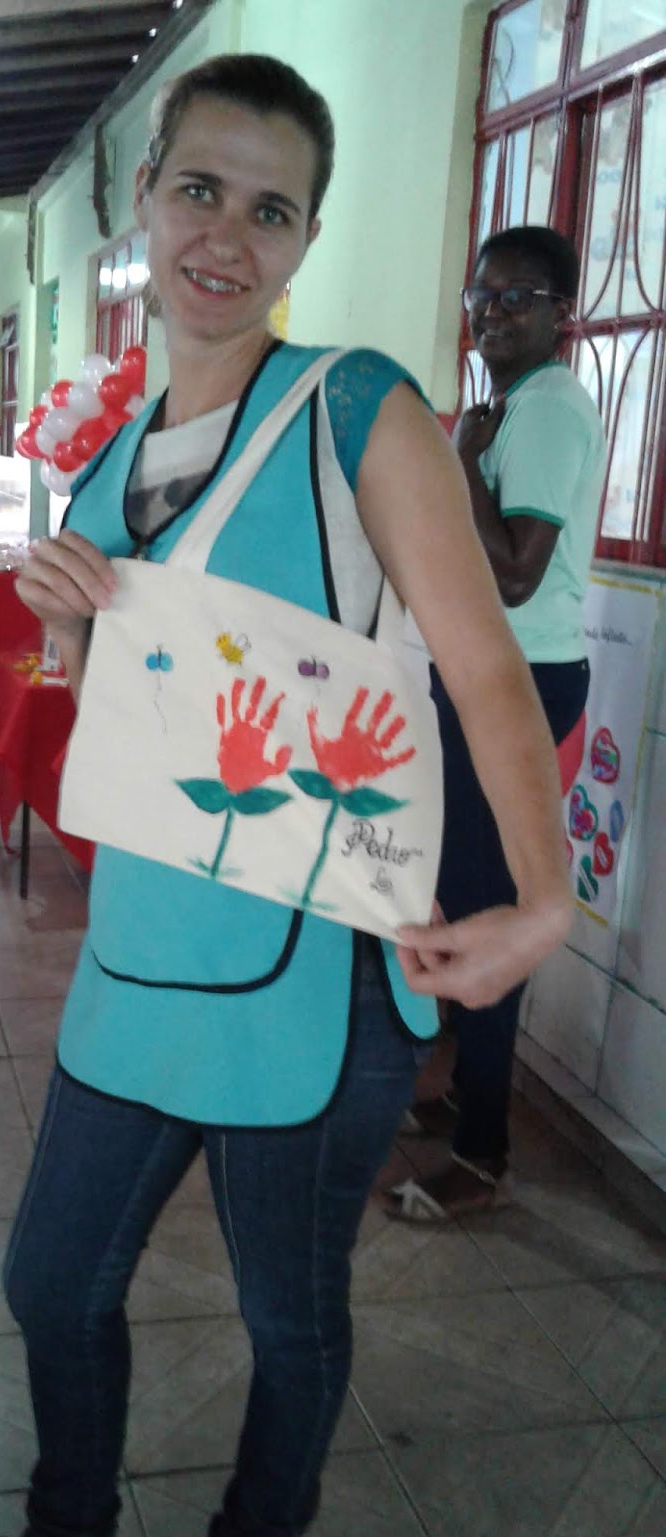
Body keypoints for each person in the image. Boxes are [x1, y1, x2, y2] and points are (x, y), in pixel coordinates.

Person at [0, 57, 573, 1537]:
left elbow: (484, 665)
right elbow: (138, 713)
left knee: (288, 1317)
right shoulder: (107, 460)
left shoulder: (358, 411)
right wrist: (75, 629)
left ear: (306, 239)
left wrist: (544, 896)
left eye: (272, 210)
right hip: (143, 953)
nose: (228, 235)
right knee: (52, 1280)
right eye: (200, 189)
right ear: (144, 200)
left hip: (316, 979)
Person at [388, 225, 606, 1224]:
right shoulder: (513, 405)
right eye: (483, 295)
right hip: (482, 676)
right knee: (461, 887)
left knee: (486, 903)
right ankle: (463, 1095)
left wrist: (463, 459)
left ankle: (482, 1154)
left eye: (520, 297)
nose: (492, 314)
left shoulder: (548, 409)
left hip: (522, 680)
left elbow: (515, 574)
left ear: (563, 315)